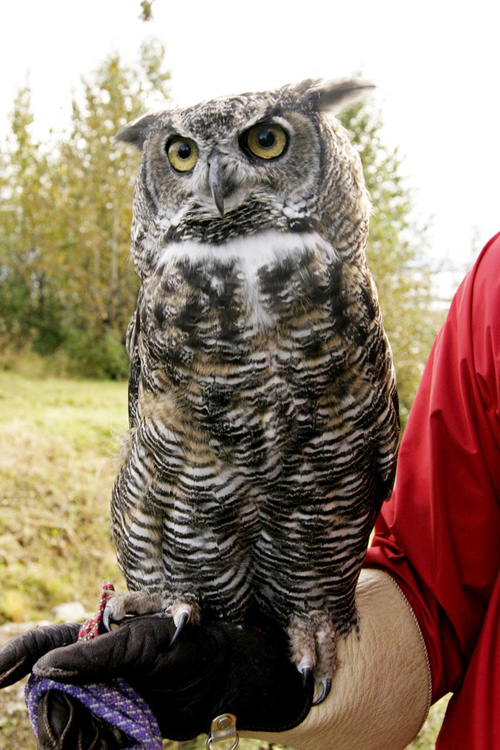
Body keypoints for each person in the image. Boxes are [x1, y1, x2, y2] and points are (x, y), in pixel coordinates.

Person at [1, 232, 500, 750]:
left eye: (266, 142)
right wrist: (243, 679)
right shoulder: (494, 290)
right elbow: (429, 603)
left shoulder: (353, 309)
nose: (217, 180)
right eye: (181, 155)